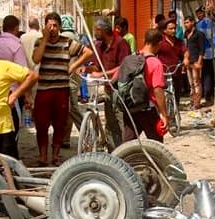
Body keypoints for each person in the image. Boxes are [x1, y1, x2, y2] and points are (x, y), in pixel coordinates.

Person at [32, 12, 94, 166]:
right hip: (44, 90)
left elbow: (88, 52)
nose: (52, 29)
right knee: (41, 125)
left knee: (60, 124)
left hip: (61, 89)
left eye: (55, 25)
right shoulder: (40, 42)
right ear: (44, 26)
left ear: (60, 27)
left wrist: (73, 65)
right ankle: (43, 156)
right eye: (49, 25)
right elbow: (36, 59)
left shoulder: (67, 42)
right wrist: (45, 38)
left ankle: (55, 156)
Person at [120, 29, 169, 142]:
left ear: (145, 40)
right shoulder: (155, 63)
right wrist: (164, 115)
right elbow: (158, 90)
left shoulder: (131, 58)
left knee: (127, 145)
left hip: (131, 107)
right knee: (157, 147)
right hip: (148, 109)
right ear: (159, 43)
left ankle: (122, 160)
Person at [88, 17, 130, 148]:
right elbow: (96, 66)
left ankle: (127, 151)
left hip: (120, 89)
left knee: (122, 122)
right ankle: (113, 151)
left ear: (101, 30)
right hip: (107, 89)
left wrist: (102, 74)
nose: (95, 32)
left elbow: (124, 65)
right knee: (110, 123)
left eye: (96, 30)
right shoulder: (100, 46)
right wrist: (87, 68)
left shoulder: (121, 43)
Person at [0, 15, 28, 157]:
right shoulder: (15, 46)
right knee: (13, 129)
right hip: (12, 94)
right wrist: (25, 95)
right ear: (16, 29)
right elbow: (23, 75)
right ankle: (11, 163)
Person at [59, 14, 84, 149]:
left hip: (69, 78)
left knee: (72, 109)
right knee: (68, 110)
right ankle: (65, 139)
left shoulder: (67, 38)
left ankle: (87, 133)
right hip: (74, 78)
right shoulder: (75, 36)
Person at [156, 18, 188, 105]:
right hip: (164, 73)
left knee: (176, 94)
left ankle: (176, 110)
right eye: (171, 29)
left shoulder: (179, 42)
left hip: (176, 71)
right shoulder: (160, 42)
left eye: (174, 28)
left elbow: (185, 51)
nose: (173, 31)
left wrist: (185, 59)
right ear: (164, 30)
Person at [196, 6, 215, 106]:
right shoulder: (209, 23)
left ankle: (208, 95)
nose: (199, 15)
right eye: (198, 13)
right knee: (208, 74)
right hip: (208, 52)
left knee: (206, 75)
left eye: (200, 13)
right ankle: (208, 95)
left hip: (205, 53)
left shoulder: (202, 24)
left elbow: (214, 37)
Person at [183, 15, 205, 110]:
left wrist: (199, 61)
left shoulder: (199, 34)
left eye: (187, 22)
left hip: (196, 60)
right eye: (184, 23)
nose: (185, 24)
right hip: (189, 61)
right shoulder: (186, 34)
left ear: (192, 22)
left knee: (197, 82)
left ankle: (197, 103)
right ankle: (192, 101)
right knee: (190, 83)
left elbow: (202, 49)